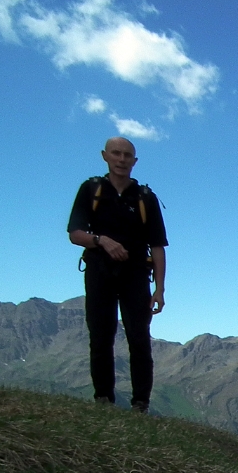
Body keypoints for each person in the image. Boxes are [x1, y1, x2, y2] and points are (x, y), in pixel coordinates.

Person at [67, 137, 168, 413]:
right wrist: (102, 241)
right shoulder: (92, 190)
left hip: (136, 275)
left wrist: (160, 289)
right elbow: (75, 234)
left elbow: (158, 246)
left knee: (139, 337)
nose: (122, 159)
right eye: (116, 154)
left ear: (134, 161)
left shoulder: (145, 198)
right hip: (99, 272)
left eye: (127, 155)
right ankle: (103, 400)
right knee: (101, 335)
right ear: (105, 156)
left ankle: (140, 404)